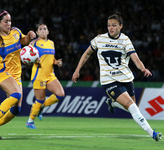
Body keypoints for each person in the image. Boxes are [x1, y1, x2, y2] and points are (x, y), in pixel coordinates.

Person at [72, 12, 162, 141]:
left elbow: (135, 58)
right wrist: (77, 70)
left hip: (126, 78)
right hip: (109, 80)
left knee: (132, 107)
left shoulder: (125, 40)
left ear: (121, 26)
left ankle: (112, 104)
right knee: (132, 106)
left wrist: (143, 68)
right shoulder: (100, 39)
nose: (110, 28)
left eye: (114, 25)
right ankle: (152, 133)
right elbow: (86, 54)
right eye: (109, 25)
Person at [0, 10, 36, 139]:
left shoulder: (16, 32)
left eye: (10, 21)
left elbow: (24, 41)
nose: (9, 24)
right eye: (6, 21)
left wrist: (29, 36)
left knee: (16, 110)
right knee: (16, 94)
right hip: (2, 73)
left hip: (16, 75)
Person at [26, 23, 65, 129]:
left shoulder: (52, 43)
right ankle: (30, 121)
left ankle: (42, 107)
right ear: (37, 32)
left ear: (48, 31)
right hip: (39, 75)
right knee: (39, 99)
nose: (43, 31)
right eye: (40, 29)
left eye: (45, 29)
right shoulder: (34, 43)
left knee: (60, 94)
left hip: (50, 75)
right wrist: (32, 60)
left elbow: (50, 59)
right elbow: (25, 56)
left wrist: (56, 62)